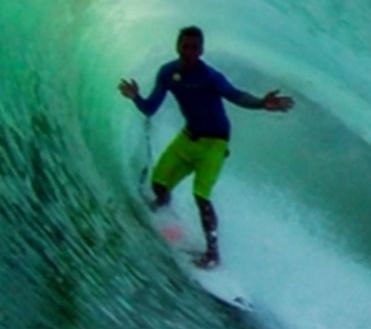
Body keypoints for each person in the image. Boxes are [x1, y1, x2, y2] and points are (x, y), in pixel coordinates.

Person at [117, 25, 295, 269]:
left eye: (194, 47)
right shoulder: (168, 73)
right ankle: (164, 210)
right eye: (185, 45)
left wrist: (261, 103)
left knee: (201, 196)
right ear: (177, 46)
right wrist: (135, 96)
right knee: (158, 184)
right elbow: (150, 108)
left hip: (215, 143)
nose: (189, 51)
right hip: (188, 137)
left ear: (201, 50)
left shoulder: (210, 76)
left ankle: (213, 254)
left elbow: (236, 95)